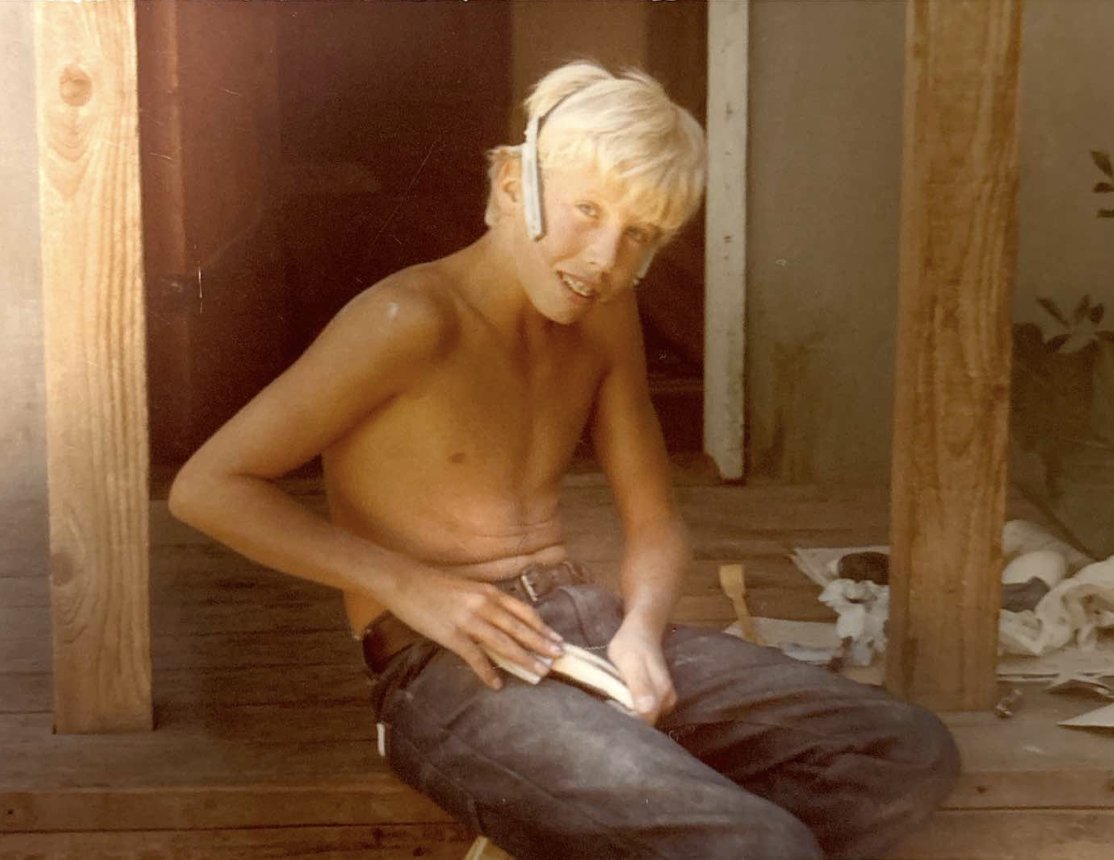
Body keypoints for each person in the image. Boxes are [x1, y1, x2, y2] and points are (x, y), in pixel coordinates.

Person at [169, 61, 959, 859]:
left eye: (640, 235)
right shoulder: (408, 319)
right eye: (588, 211)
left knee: (907, 750)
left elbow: (655, 522)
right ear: (514, 185)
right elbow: (206, 487)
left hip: (591, 626)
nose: (606, 258)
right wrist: (412, 586)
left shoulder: (605, 318)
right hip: (448, 664)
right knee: (758, 845)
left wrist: (642, 631)